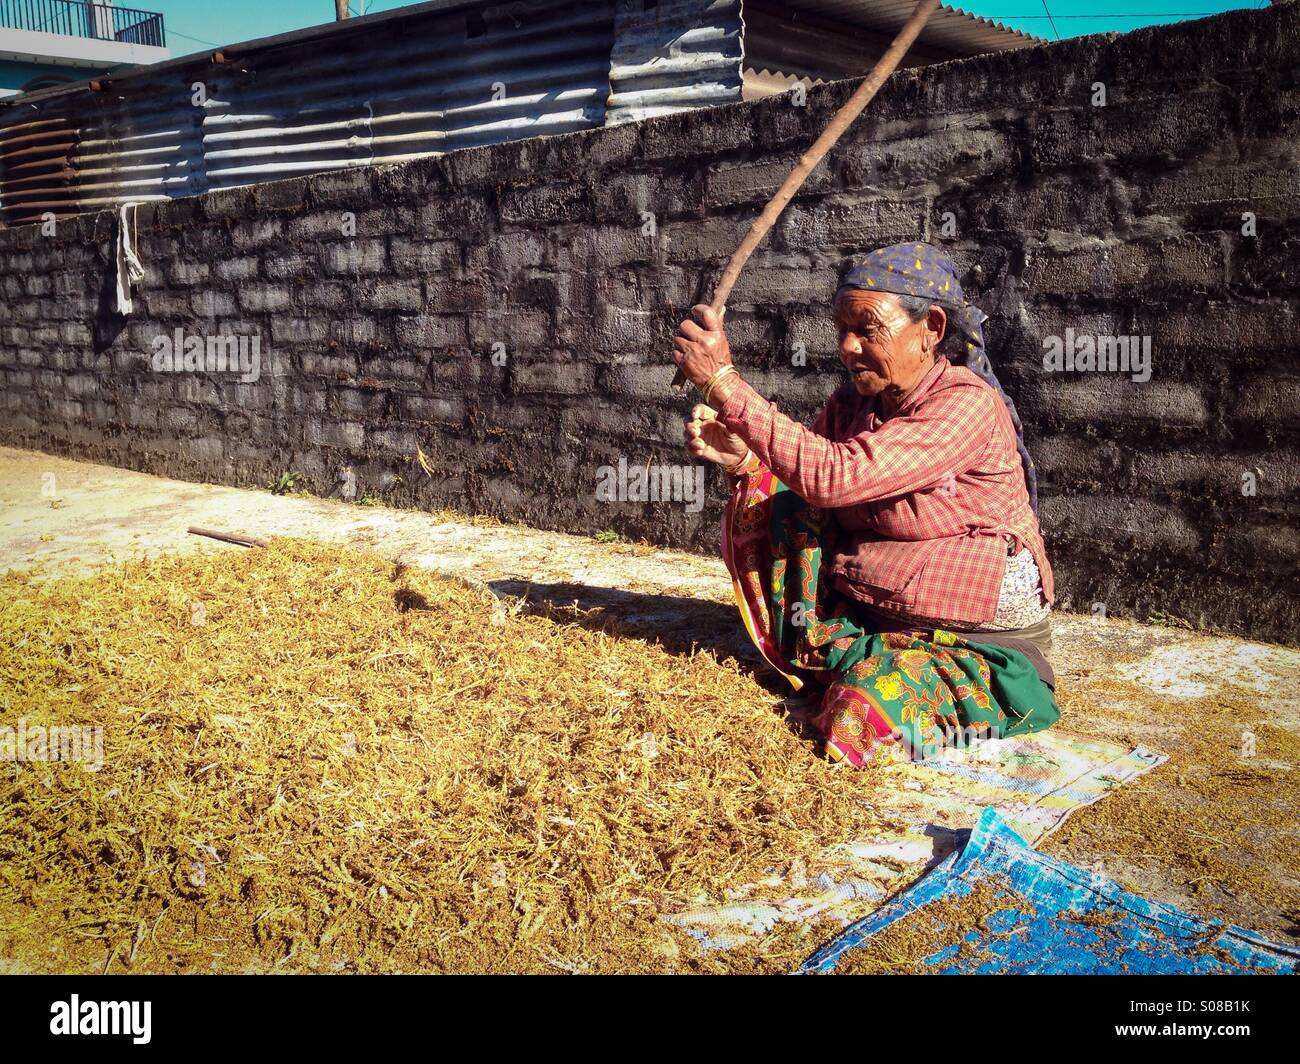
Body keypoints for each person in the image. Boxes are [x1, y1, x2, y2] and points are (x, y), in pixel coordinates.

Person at [673, 243, 1060, 766]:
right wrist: (746, 459)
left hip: (974, 645)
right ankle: (835, 645)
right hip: (880, 615)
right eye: (842, 330)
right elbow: (807, 474)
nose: (848, 347)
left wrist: (724, 384)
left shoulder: (966, 405)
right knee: (777, 498)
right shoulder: (855, 403)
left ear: (933, 327)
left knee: (861, 710)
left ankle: (917, 677)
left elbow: (834, 477)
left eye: (867, 328)